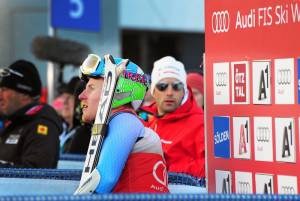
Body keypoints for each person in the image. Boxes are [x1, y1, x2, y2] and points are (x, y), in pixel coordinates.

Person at [77, 54, 169, 193]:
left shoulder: (125, 120)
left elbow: (103, 181)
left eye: (91, 88)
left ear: (117, 91)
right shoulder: (123, 121)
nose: (81, 95)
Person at [140, 56, 205, 183]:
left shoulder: (201, 123)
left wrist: (165, 167)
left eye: (176, 86)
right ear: (153, 91)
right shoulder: (145, 123)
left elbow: (212, 168)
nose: (169, 92)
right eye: (162, 86)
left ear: (184, 91)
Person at [0, 59, 62, 168]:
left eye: (4, 89)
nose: (0, 95)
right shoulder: (13, 123)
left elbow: (35, 175)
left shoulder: (42, 126)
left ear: (25, 94)